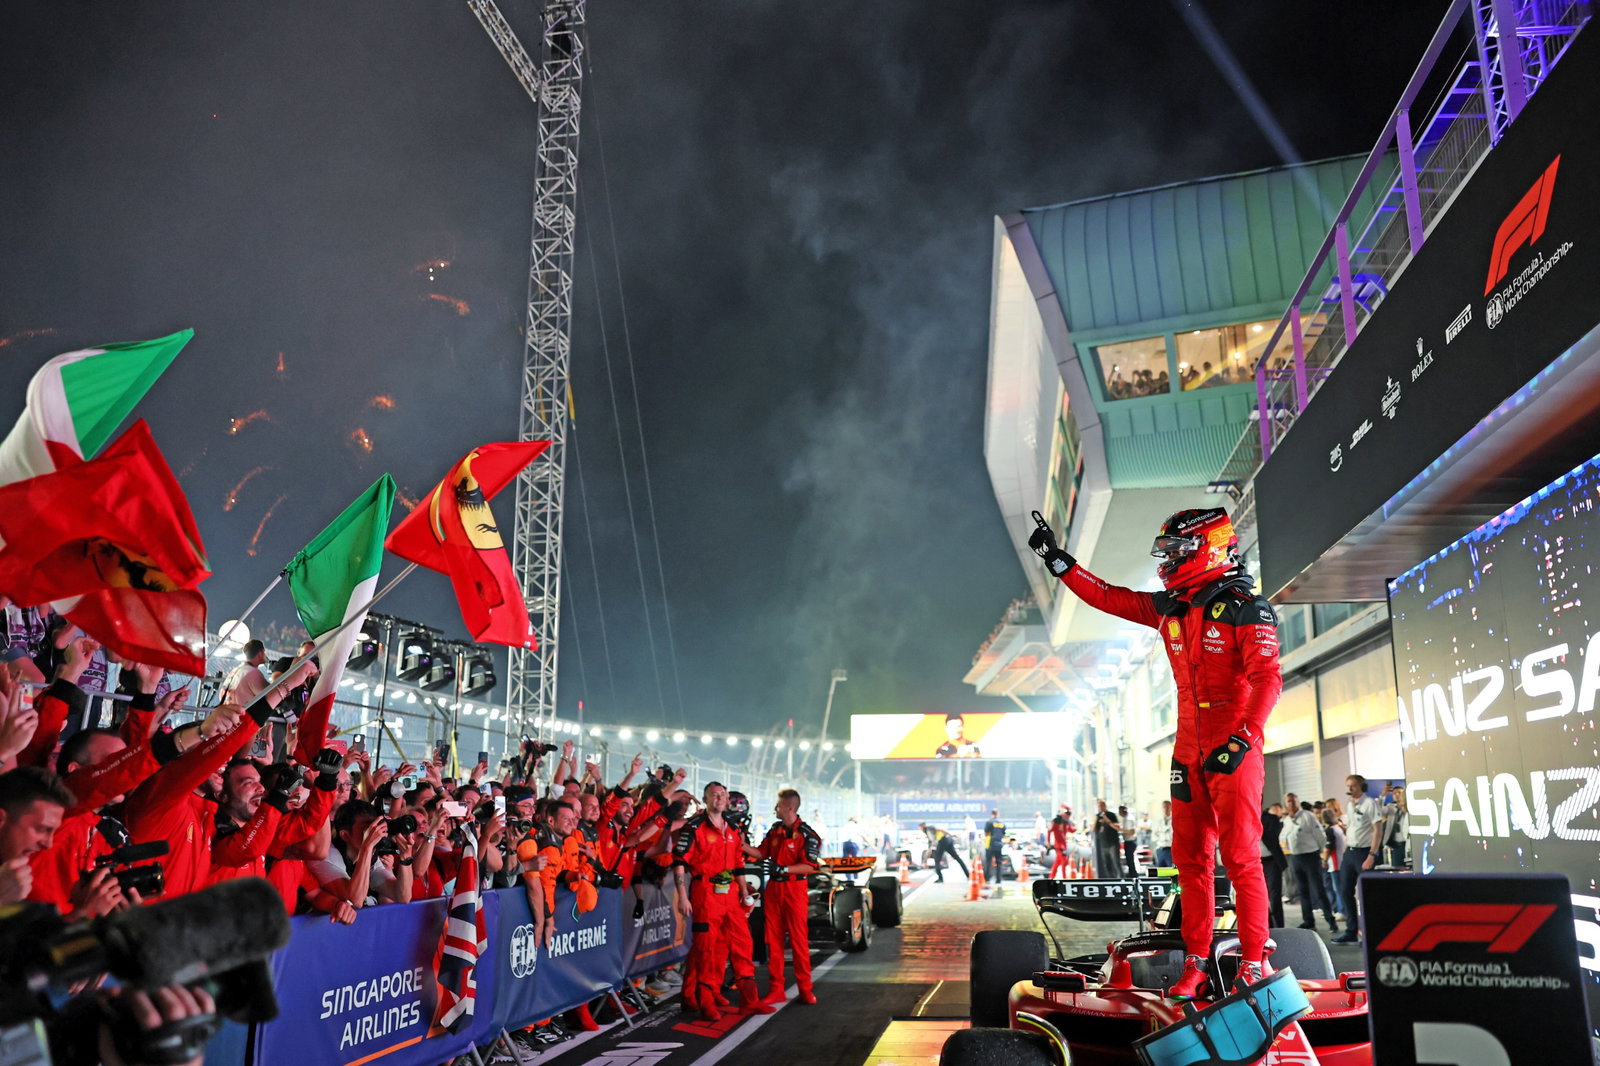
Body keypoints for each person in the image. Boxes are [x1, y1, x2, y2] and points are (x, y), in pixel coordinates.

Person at [1030, 508, 1281, 996]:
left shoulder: (1247, 606)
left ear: (1208, 546)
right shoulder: (1172, 605)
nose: (1167, 561)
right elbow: (1109, 598)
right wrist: (1060, 562)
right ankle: (1197, 962)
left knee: (1242, 857)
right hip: (1188, 745)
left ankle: (1254, 962)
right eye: (1165, 552)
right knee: (1190, 861)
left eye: (1176, 552)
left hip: (1234, 743)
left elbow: (1268, 678)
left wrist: (1244, 737)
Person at [673, 781, 771, 1021]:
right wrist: (683, 896)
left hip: (731, 898)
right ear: (705, 800)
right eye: (713, 795)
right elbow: (679, 862)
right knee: (706, 949)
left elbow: (739, 863)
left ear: (728, 800)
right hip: (705, 894)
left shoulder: (734, 829)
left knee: (742, 944)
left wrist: (743, 892)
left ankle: (750, 1001)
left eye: (722, 795)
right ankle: (705, 1001)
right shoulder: (694, 827)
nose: (718, 798)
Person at [754, 788, 821, 1004]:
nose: (775, 808)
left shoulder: (807, 834)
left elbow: (810, 867)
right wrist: (741, 844)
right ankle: (776, 989)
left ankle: (805, 989)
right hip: (774, 890)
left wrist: (783, 869)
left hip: (794, 890)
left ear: (789, 808)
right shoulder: (775, 830)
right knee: (773, 941)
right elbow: (761, 853)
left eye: (779, 805)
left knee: (798, 941)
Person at [1332, 775, 1382, 945]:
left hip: (1364, 853)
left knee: (1366, 894)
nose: (1350, 789)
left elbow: (1378, 830)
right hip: (1350, 852)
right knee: (1345, 891)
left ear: (1362, 787)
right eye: (1348, 786)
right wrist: (1346, 851)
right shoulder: (1350, 804)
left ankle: (1371, 932)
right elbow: (1352, 828)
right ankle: (1351, 930)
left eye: (1353, 786)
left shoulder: (1370, 803)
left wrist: (1372, 855)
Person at [1287, 801, 1337, 933]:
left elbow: (1320, 836)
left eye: (1293, 801)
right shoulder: (1287, 820)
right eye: (1288, 801)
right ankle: (1309, 922)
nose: (1291, 804)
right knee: (1303, 892)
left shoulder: (1307, 816)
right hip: (1296, 857)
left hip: (1311, 856)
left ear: (1297, 803)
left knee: (1318, 890)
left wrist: (1319, 852)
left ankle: (1330, 920)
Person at [1259, 802, 1287, 929]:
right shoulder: (1242, 819)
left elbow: (1273, 834)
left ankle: (1279, 927)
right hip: (1254, 862)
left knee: (1275, 896)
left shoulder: (1269, 818)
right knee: (1260, 897)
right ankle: (1267, 926)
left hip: (1271, 861)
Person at [1092, 800, 1122, 879]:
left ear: (1105, 806)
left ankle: (1120, 879)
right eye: (1099, 806)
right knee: (1107, 864)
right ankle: (1110, 879)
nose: (1100, 808)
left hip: (1113, 843)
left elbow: (1117, 827)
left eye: (1102, 806)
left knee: (1116, 863)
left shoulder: (1111, 815)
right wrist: (1096, 819)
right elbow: (1093, 829)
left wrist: (1107, 820)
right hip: (1103, 844)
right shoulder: (1097, 817)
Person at [1381, 786, 1408, 868]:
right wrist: (1382, 796)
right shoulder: (1391, 807)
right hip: (1396, 846)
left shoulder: (1410, 807)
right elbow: (1377, 811)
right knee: (1397, 869)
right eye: (1394, 793)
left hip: (1408, 844)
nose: (1397, 795)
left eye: (1399, 792)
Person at [981, 809, 1006, 883]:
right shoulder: (1002, 823)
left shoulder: (989, 822)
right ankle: (998, 879)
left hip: (990, 844)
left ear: (991, 813)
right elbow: (1004, 833)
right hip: (999, 844)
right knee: (999, 862)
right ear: (998, 814)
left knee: (988, 862)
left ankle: (987, 878)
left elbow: (986, 833)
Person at [1048, 805, 1072, 878]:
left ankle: (1051, 877)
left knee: (1057, 862)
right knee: (1064, 862)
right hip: (1059, 846)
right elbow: (1049, 831)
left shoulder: (1066, 823)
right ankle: (1064, 878)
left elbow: (1071, 829)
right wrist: (1048, 842)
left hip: (1063, 845)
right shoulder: (1056, 822)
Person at [1152, 800, 1173, 869]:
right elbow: (1154, 836)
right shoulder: (1158, 821)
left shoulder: (1174, 820)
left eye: (1167, 807)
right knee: (1160, 872)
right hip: (1160, 849)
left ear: (1171, 808)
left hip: (1170, 849)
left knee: (1171, 871)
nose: (1166, 809)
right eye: (1164, 807)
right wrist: (1161, 836)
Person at [1119, 805, 1138, 877]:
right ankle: (1131, 873)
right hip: (1127, 841)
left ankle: (1133, 874)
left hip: (1131, 841)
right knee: (1129, 859)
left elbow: (1131, 831)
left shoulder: (1129, 819)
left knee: (1130, 860)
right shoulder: (1125, 819)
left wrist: (1121, 830)